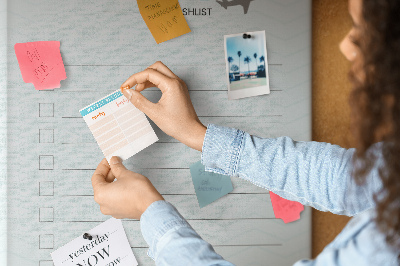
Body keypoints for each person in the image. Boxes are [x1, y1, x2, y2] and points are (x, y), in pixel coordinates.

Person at [90, 0, 400, 264]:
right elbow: (346, 178)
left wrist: (149, 211)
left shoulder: (383, 249)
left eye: (364, 31)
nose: (346, 46)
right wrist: (196, 134)